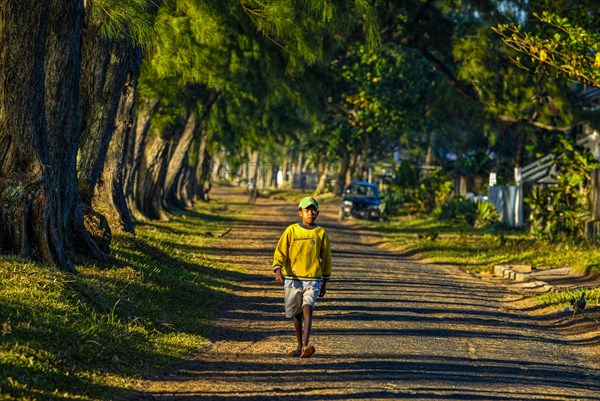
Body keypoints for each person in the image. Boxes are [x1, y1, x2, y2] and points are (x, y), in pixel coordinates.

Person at [272, 196, 332, 358]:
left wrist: (325, 282)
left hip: (313, 279)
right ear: (300, 213)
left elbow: (326, 258)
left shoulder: (320, 233)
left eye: (313, 210)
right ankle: (299, 346)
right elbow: (280, 251)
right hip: (292, 279)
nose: (310, 213)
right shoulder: (291, 231)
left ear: (317, 213)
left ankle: (305, 345)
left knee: (308, 308)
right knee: (296, 314)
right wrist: (277, 270)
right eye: (307, 210)